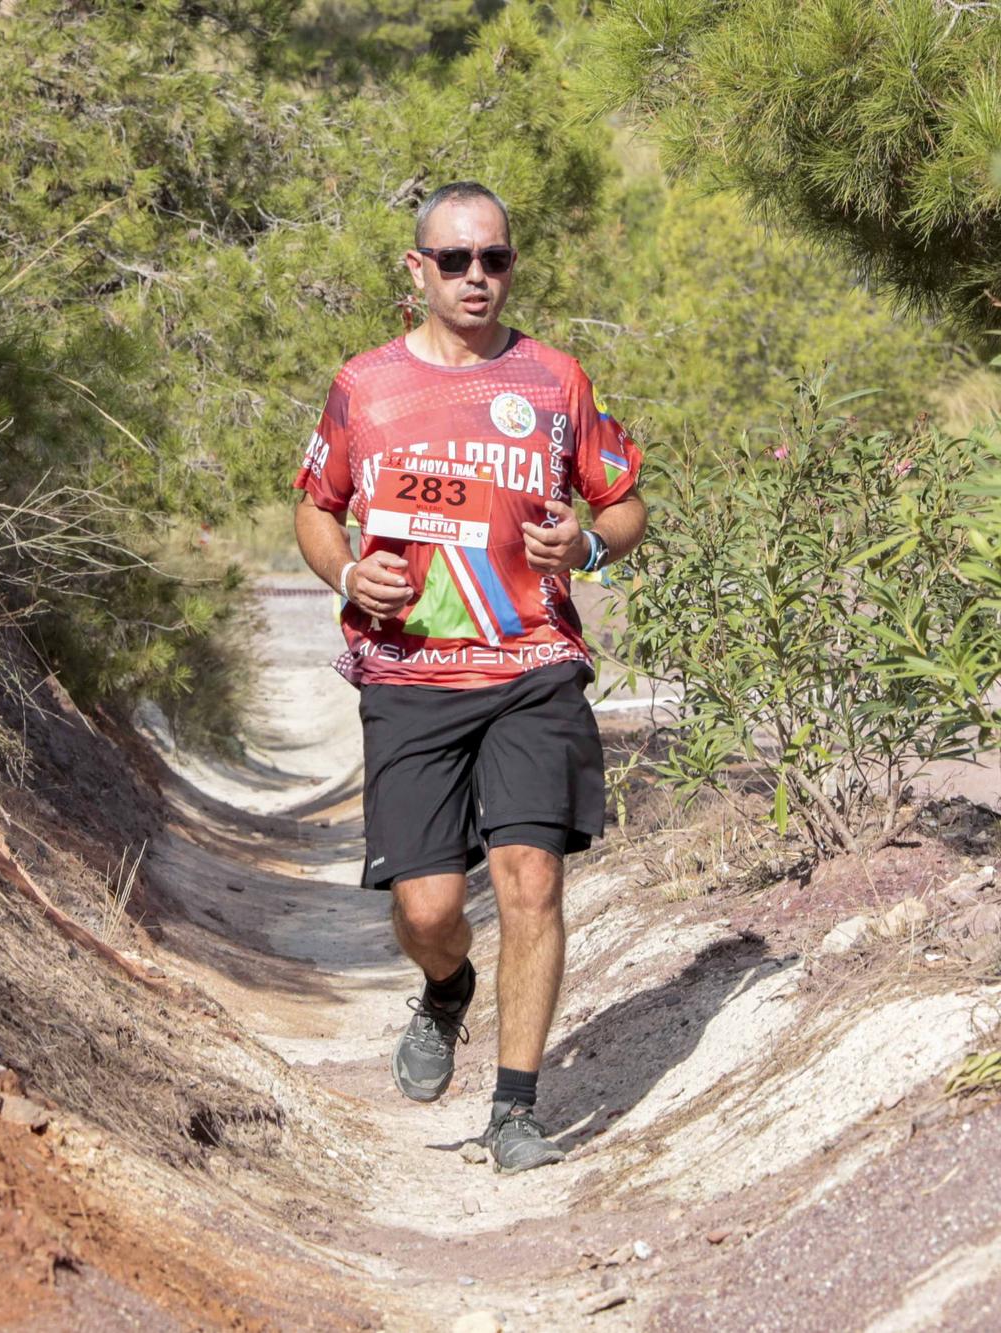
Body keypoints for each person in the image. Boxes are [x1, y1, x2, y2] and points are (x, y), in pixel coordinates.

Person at [291, 181, 647, 1173]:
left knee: (529, 877)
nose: (477, 277)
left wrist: (586, 546)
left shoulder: (555, 380)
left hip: (532, 661)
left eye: (494, 258)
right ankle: (446, 990)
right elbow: (317, 505)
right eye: (455, 261)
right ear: (418, 271)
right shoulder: (363, 385)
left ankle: (516, 1107)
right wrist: (341, 569)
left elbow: (624, 510)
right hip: (406, 672)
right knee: (428, 909)